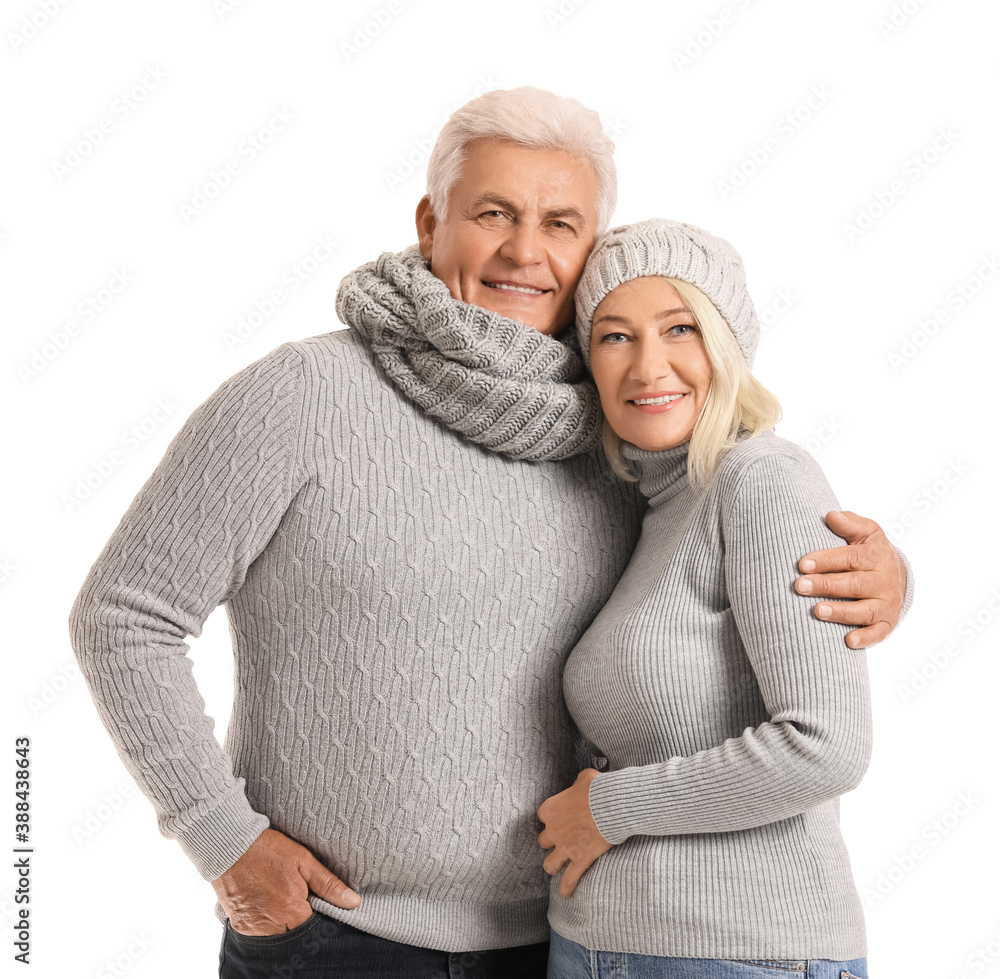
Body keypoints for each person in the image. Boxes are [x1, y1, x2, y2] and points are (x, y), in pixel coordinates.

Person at [69, 90, 907, 979]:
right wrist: (223, 839)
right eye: (494, 213)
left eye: (560, 223)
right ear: (432, 222)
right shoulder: (304, 396)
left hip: (562, 941)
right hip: (335, 938)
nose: (524, 250)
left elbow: (734, 539)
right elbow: (126, 615)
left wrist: (883, 575)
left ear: (593, 254)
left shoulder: (619, 435)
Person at [537, 218, 877, 979]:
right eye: (615, 337)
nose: (647, 365)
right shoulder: (654, 506)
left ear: (726, 344)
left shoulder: (762, 479)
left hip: (740, 951)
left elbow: (826, 745)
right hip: (602, 944)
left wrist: (610, 809)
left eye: (679, 328)